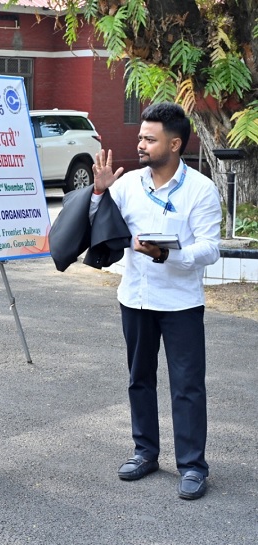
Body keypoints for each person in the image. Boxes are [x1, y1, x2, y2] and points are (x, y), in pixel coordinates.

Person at [92, 102, 221, 500]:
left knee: (187, 386)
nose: (141, 144)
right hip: (135, 298)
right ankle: (145, 452)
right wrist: (99, 192)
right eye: (140, 137)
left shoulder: (201, 189)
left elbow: (210, 249)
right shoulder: (127, 184)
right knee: (139, 379)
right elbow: (97, 225)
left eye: (150, 139)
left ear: (175, 144)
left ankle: (193, 466)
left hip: (181, 303)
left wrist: (168, 254)